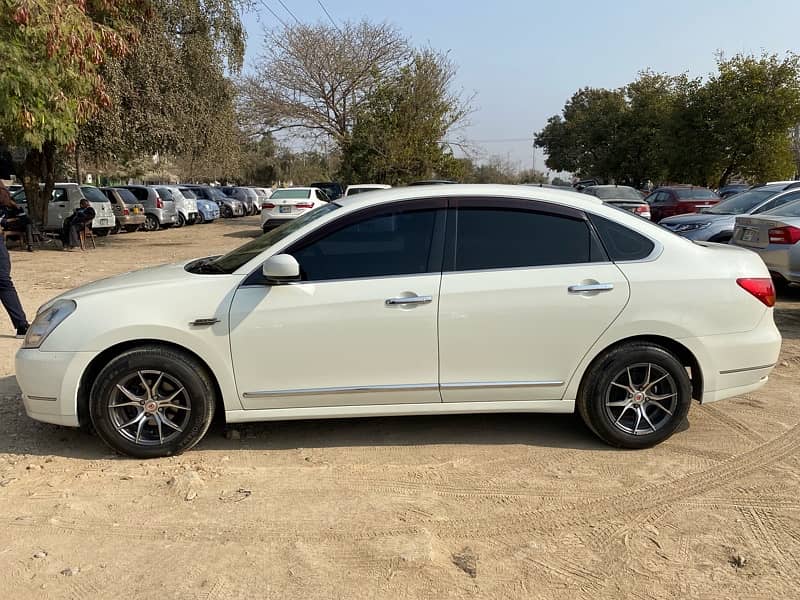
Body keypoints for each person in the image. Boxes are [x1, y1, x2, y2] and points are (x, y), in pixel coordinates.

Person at [0, 184, 29, 338]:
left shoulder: (6, 208)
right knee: (4, 283)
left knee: (4, 283)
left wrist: (16, 208)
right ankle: (21, 325)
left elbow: (25, 221)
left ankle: (21, 325)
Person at [0, 185, 33, 252]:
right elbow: (1, 220)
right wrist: (12, 220)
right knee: (28, 222)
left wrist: (17, 207)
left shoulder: (15, 208)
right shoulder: (2, 208)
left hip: (17, 223)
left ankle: (30, 244)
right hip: (7, 224)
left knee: (28, 222)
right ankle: (34, 237)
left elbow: (23, 216)